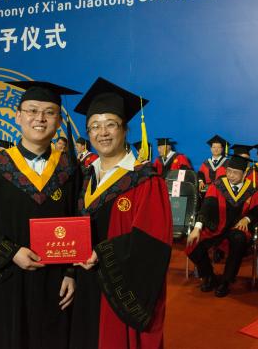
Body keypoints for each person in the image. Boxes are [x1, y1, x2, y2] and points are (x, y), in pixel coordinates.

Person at [0, 81, 80, 349]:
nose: (40, 118)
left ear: (59, 120)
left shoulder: (70, 170)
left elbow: (80, 222)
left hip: (55, 281)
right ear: (18, 116)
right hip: (8, 277)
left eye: (49, 112)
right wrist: (11, 253)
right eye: (32, 110)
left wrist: (71, 273)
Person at [71, 77, 172, 349]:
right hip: (83, 284)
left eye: (110, 124)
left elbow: (153, 243)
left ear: (125, 129)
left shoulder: (145, 181)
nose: (102, 133)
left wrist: (102, 253)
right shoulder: (84, 177)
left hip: (119, 292)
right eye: (95, 126)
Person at [186, 154, 258, 297]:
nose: (231, 176)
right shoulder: (218, 185)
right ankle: (208, 276)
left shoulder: (252, 189)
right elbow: (207, 207)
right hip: (216, 227)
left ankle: (226, 281)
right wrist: (197, 228)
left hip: (237, 229)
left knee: (239, 240)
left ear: (245, 174)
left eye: (235, 173)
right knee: (193, 244)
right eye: (229, 171)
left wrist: (247, 218)